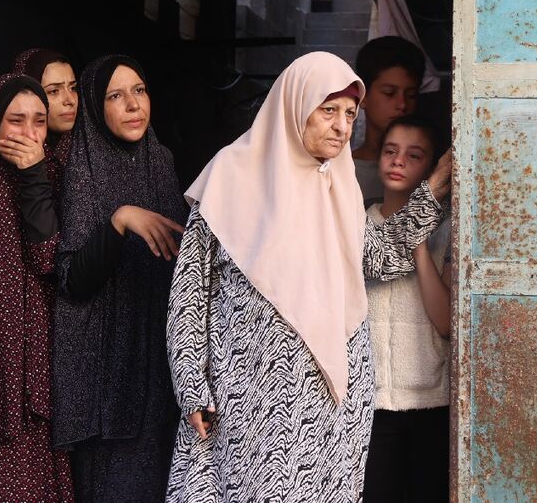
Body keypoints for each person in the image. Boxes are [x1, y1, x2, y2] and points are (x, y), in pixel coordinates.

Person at [166, 51, 451, 503]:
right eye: (329, 110)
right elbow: (188, 293)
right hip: (248, 396)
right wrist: (192, 385)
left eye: (350, 114)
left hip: (331, 406)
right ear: (295, 104)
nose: (342, 127)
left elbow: (377, 259)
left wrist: (434, 186)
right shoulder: (231, 176)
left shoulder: (339, 186)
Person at [11, 54, 187, 502]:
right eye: (116, 95)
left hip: (160, 370)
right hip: (107, 379)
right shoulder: (82, 169)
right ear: (96, 105)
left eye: (139, 91)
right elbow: (71, 279)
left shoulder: (161, 162)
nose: (133, 105)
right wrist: (121, 220)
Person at [0, 72, 75, 502]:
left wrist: (34, 175)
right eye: (15, 120)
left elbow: (47, 259)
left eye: (39, 122)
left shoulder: (55, 174)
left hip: (32, 347)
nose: (29, 133)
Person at [363, 116, 452, 502]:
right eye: (390, 151)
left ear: (433, 169)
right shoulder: (358, 224)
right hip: (369, 404)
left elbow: (446, 322)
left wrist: (416, 237)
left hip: (431, 403)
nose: (398, 161)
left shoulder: (448, 232)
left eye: (413, 156)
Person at [351, 36, 425, 207]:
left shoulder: (427, 172)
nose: (402, 104)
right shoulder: (338, 171)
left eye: (411, 95)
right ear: (362, 96)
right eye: (389, 93)